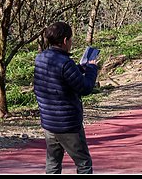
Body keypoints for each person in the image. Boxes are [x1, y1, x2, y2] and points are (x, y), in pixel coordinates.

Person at [33, 21, 99, 174]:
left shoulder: (41, 58)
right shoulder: (65, 63)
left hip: (49, 122)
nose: (71, 43)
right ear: (64, 41)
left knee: (53, 164)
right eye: (70, 39)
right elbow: (85, 88)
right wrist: (91, 69)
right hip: (68, 124)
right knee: (84, 164)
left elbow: (57, 76)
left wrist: (79, 68)